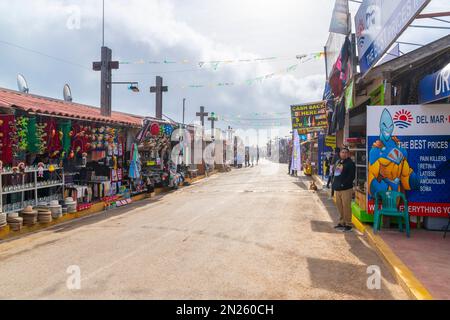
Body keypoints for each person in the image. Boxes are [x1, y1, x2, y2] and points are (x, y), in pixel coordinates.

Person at [332, 146, 356, 232]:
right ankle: (342, 222)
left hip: (346, 189)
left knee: (346, 206)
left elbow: (351, 176)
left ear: (348, 154)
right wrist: (334, 184)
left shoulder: (350, 163)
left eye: (346, 152)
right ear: (340, 154)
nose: (344, 154)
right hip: (337, 188)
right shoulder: (338, 162)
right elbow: (335, 174)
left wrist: (343, 184)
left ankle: (348, 224)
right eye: (342, 152)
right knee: (339, 206)